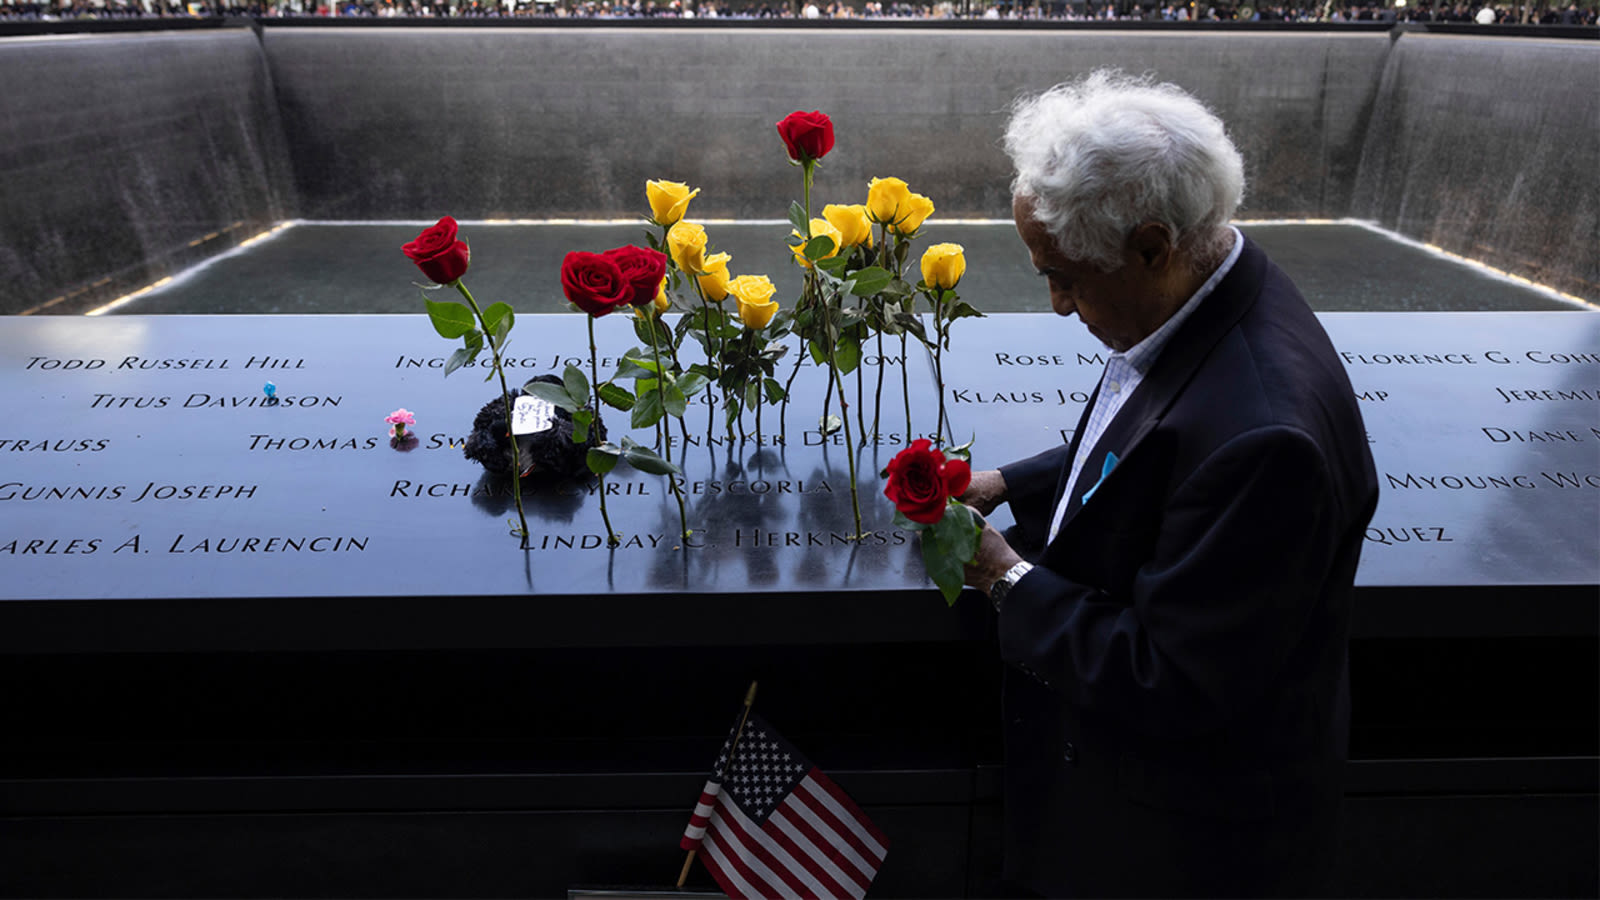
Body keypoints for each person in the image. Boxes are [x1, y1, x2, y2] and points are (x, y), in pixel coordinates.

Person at [959, 70, 1380, 898]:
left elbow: (1171, 678)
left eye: (1067, 276)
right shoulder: (1220, 284)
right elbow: (1163, 441)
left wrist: (1007, 577)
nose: (1054, 303)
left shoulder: (1269, 440)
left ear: (1152, 246)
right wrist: (1013, 481)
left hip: (1180, 851)